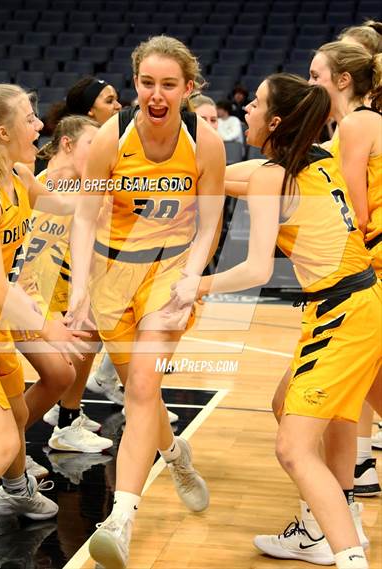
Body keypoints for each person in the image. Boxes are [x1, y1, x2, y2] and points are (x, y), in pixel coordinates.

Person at [171, 73, 381, 569]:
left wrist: (194, 285)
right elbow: (227, 176)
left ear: (276, 120)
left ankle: (345, 552)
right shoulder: (316, 161)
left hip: (343, 313)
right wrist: (186, 170)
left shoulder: (274, 177)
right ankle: (321, 524)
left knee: (293, 448)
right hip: (358, 303)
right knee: (291, 404)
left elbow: (257, 268)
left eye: (257, 104)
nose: (246, 110)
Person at [68, 35, 225, 568]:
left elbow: (210, 222)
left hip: (168, 273)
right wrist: (79, 287)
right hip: (114, 274)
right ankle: (175, 455)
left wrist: (193, 274)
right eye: (147, 83)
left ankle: (121, 517)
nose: (157, 94)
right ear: (136, 84)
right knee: (143, 393)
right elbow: (86, 216)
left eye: (169, 84)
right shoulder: (109, 140)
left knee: (139, 385)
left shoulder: (204, 142)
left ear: (188, 88)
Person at [0, 84, 89, 523]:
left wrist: (118, 192)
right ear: (1, 131)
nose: (40, 124)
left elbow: (63, 205)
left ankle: (16, 490)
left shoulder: (17, 177)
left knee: (15, 416)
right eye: (29, 118)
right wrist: (48, 326)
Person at [13, 115, 114, 454]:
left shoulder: (75, 193)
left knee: (64, 367)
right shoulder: (34, 183)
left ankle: (18, 450)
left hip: (37, 296)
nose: (101, 154)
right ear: (68, 144)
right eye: (93, 145)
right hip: (14, 296)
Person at [309, 41, 382, 500]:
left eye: (316, 75)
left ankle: (342, 491)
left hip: (373, 258)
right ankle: (352, 480)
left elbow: (353, 209)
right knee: (371, 380)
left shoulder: (357, 122)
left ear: (343, 80)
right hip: (371, 259)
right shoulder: (352, 124)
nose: (309, 83)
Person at [43, 75, 122, 136]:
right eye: (109, 101)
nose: (119, 106)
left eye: (117, 100)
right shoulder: (78, 147)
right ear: (90, 110)